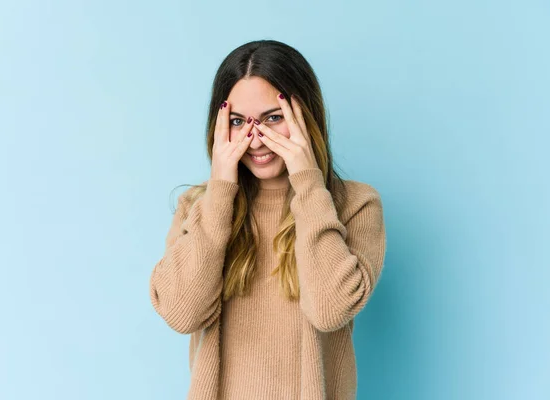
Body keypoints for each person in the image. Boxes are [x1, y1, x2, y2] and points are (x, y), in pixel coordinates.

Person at [149, 39, 387, 400]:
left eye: (273, 118)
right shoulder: (197, 206)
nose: (256, 139)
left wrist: (307, 183)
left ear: (305, 117)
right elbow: (183, 314)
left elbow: (328, 310)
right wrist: (220, 193)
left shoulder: (355, 205)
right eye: (238, 122)